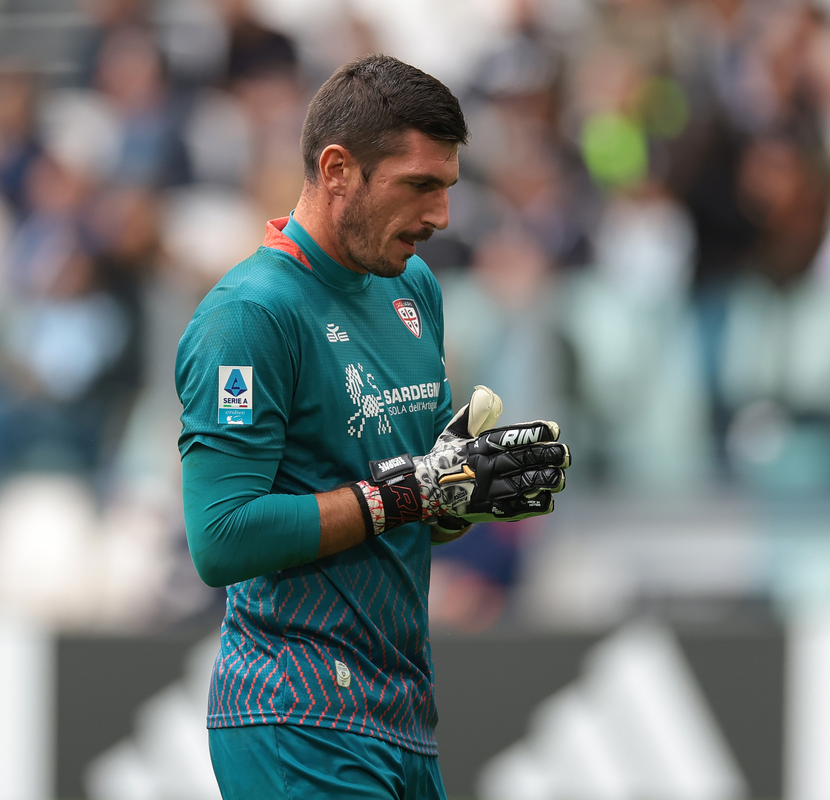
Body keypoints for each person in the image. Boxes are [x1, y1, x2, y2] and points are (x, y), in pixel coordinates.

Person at [175, 54, 570, 799]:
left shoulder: (412, 285)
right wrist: (405, 495)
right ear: (336, 170)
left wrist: (454, 493)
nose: (440, 216)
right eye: (418, 186)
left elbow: (403, 500)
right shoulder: (249, 316)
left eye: (447, 188)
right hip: (296, 714)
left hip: (403, 710)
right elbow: (221, 536)